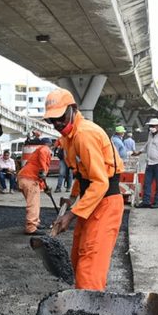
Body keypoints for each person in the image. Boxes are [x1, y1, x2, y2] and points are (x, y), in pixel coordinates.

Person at [46, 88, 124, 291]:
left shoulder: (84, 135)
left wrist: (70, 215)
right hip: (91, 201)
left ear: (73, 109)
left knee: (89, 268)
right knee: (78, 257)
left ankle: (91, 306)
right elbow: (82, 174)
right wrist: (72, 198)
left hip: (105, 203)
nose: (57, 124)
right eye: (52, 120)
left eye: (60, 117)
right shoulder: (69, 137)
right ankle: (83, 301)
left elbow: (100, 182)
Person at [18, 137, 52, 234]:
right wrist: (44, 170)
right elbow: (43, 157)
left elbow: (40, 175)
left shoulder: (38, 150)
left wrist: (44, 187)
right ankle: (31, 227)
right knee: (33, 204)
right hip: (29, 179)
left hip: (25, 178)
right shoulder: (44, 148)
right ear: (49, 144)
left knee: (34, 203)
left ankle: (35, 222)